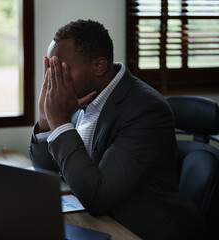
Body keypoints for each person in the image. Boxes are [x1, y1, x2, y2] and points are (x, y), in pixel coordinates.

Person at [29, 19, 204, 240]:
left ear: (98, 66)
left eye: (62, 69)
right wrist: (46, 119)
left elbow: (98, 198)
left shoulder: (146, 111)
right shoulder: (75, 96)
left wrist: (60, 120)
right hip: (96, 221)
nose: (54, 80)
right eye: (51, 69)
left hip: (133, 230)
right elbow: (46, 168)